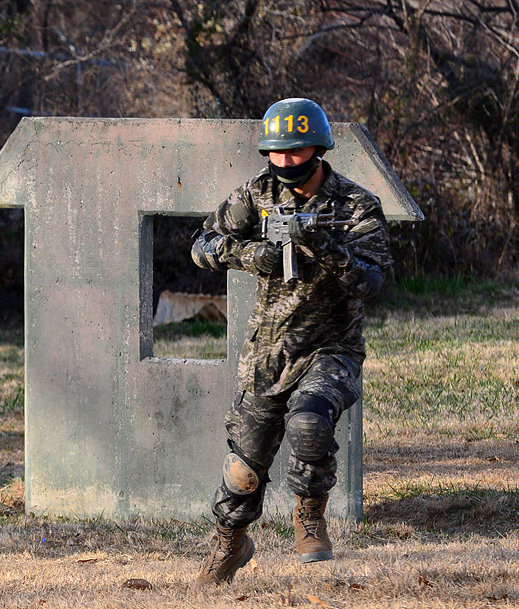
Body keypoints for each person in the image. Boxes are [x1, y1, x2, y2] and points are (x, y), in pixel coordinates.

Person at [190, 98, 392, 585]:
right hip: (269, 351)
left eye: (296, 152)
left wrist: (328, 249)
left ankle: (310, 516)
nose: (284, 163)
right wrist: (248, 254)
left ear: (318, 150)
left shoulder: (354, 205)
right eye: (276, 153)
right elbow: (202, 246)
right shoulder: (256, 194)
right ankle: (230, 543)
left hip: (332, 347)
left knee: (309, 424)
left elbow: (374, 281)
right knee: (243, 467)